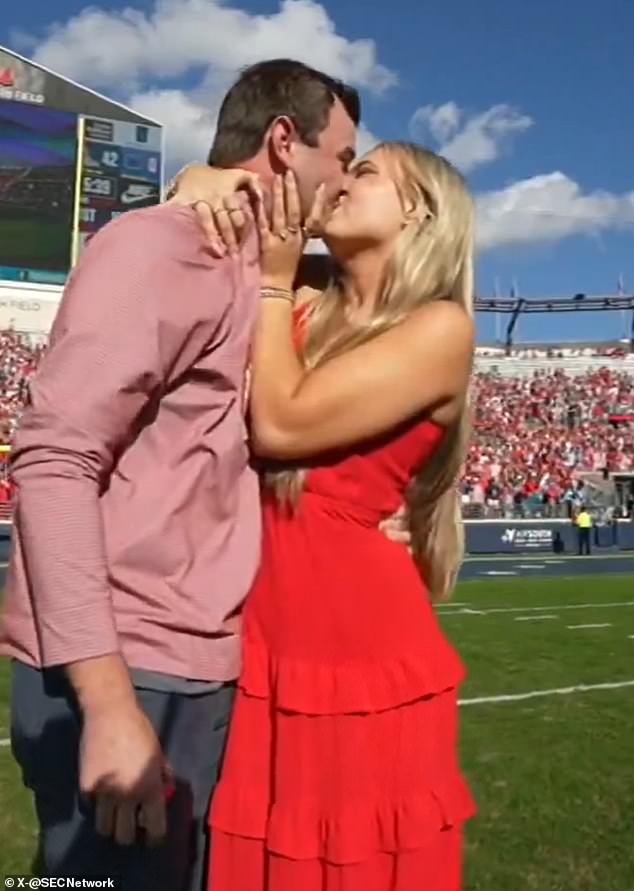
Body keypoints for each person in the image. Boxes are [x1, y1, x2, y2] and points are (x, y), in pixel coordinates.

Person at [0, 59, 368, 891]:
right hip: (127, 663)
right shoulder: (165, 244)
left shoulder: (263, 267)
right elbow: (55, 458)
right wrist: (106, 703)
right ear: (285, 141)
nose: (345, 182)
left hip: (193, 662)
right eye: (343, 158)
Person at [181, 142, 476, 889]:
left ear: (420, 211)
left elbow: (279, 426)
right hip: (267, 631)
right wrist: (206, 181)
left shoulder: (441, 326)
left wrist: (276, 282)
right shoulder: (309, 296)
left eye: (367, 171)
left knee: (348, 857)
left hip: (359, 647)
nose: (343, 181)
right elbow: (196, 193)